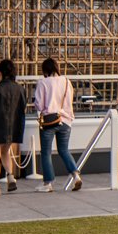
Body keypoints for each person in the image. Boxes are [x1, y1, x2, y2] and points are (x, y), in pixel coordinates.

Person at [34, 56, 82, 192]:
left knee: (46, 153)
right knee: (64, 150)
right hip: (66, 120)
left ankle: (48, 183)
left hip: (49, 121)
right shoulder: (67, 81)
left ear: (45, 70)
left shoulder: (43, 82)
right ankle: (76, 176)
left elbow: (39, 105)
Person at [0, 58, 28, 194]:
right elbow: (23, 107)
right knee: (5, 152)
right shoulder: (21, 89)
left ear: (0, 73)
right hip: (13, 127)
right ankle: (10, 176)